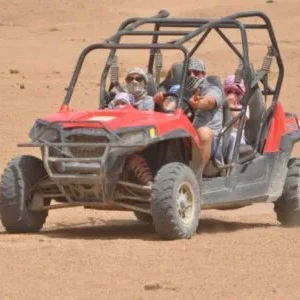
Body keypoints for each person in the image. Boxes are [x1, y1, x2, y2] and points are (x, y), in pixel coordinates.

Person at [154, 58, 224, 168]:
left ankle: (198, 173)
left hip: (210, 142)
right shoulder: (183, 90)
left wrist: (199, 104)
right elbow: (170, 108)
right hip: (188, 138)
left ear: (203, 74)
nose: (192, 76)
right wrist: (161, 103)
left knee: (203, 132)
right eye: (188, 73)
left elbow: (210, 101)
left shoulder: (212, 88)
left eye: (196, 72)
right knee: (163, 128)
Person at [223, 74, 249, 161]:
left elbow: (239, 123)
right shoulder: (221, 106)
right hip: (222, 134)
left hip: (238, 138)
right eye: (229, 92)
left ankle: (231, 165)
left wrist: (231, 106)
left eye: (237, 93)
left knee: (233, 138)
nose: (233, 95)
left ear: (242, 95)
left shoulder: (243, 108)